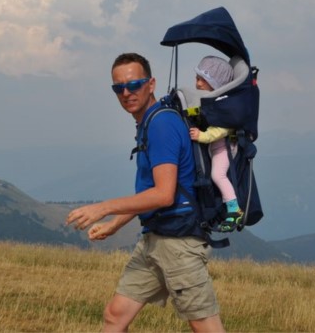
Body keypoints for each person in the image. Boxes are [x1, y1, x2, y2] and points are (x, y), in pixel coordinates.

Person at [66, 52, 224, 333]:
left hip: (179, 244)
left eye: (134, 84)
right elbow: (152, 191)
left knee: (206, 327)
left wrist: (104, 208)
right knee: (116, 316)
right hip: (156, 237)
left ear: (151, 84)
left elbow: (164, 195)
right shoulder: (149, 121)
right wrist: (115, 225)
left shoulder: (161, 124)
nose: (126, 93)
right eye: (118, 88)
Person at [189, 55, 243, 232]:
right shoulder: (215, 101)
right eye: (197, 79)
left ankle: (235, 210)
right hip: (218, 147)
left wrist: (202, 136)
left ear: (215, 83)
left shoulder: (223, 105)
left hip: (224, 148)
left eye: (201, 80)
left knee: (217, 175)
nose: (197, 84)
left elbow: (223, 129)